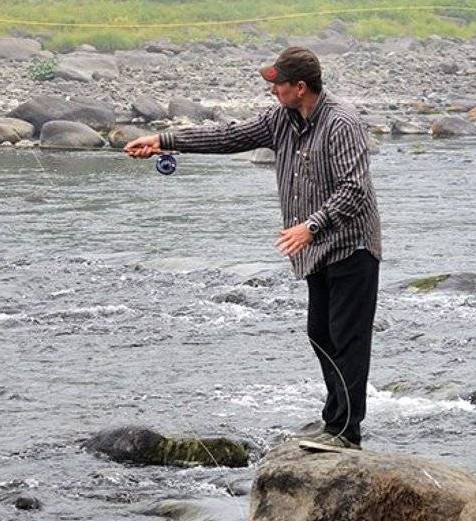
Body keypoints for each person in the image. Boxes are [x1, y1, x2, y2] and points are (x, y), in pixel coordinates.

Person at [123, 46, 382, 452]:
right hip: (315, 246)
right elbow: (228, 136)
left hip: (351, 245)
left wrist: (312, 226)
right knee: (320, 333)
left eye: (278, 84)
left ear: (300, 87)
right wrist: (164, 139)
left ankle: (346, 432)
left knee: (347, 338)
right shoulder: (281, 119)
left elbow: (355, 190)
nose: (272, 90)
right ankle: (334, 420)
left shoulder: (341, 122)